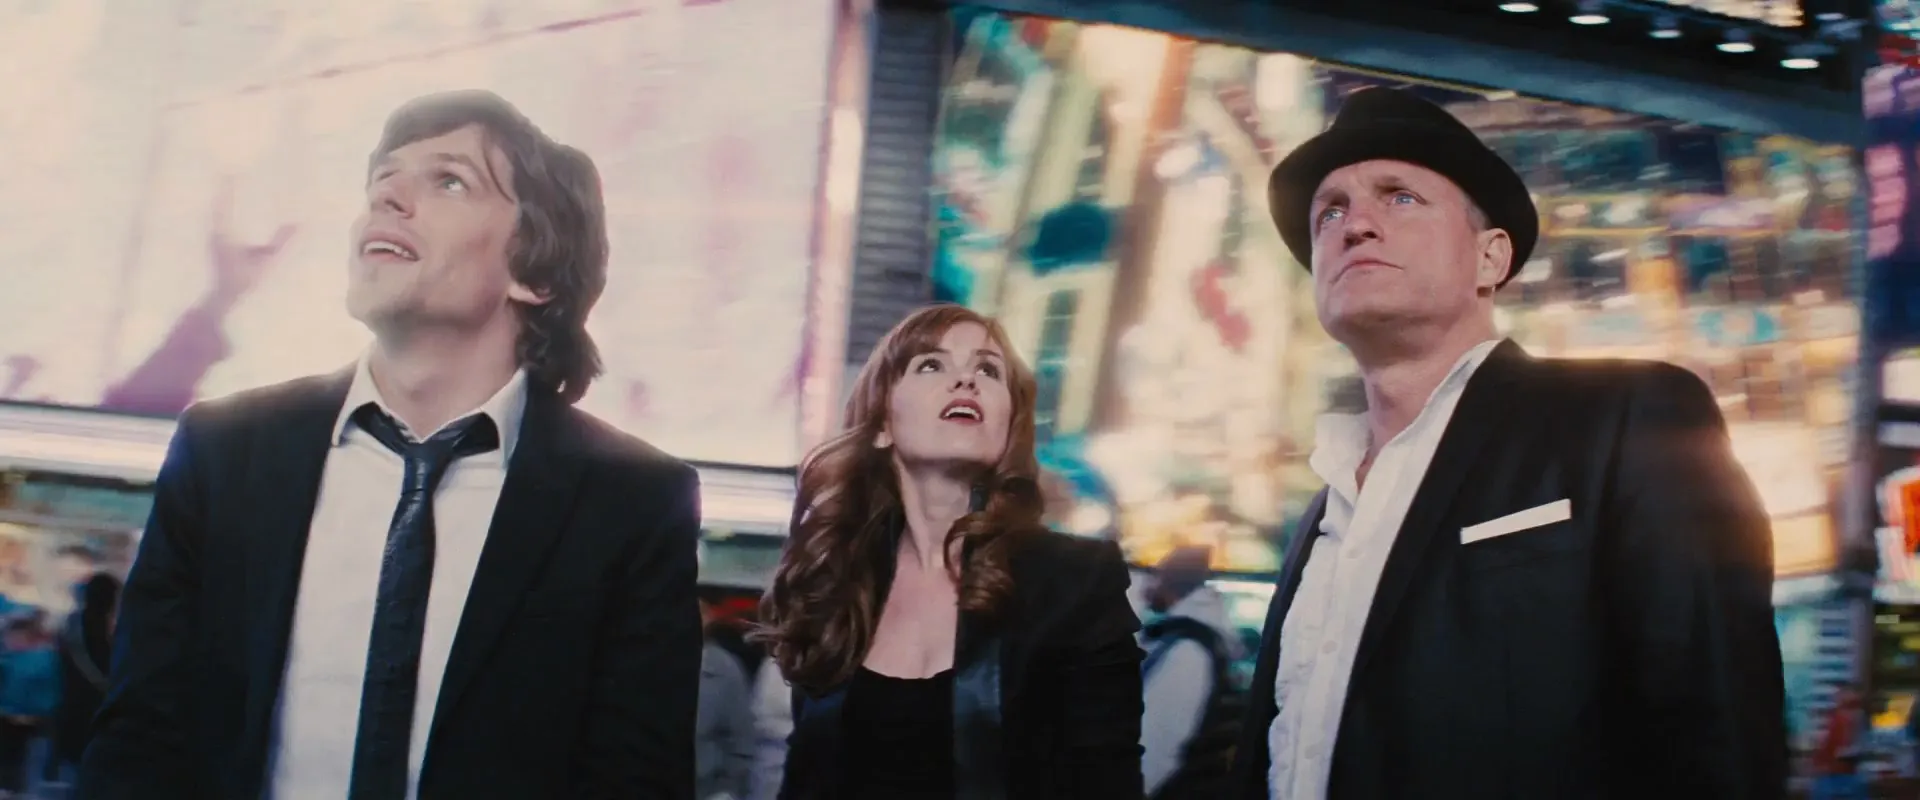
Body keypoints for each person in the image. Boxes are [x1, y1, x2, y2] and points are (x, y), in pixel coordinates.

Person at [78, 90, 704, 800]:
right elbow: (137, 742)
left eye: (449, 181)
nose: (389, 196)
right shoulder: (226, 452)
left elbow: (635, 780)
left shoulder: (630, 502)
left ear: (535, 274)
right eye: (384, 177)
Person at [1226, 87, 1786, 799]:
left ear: (1491, 257)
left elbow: (1718, 728)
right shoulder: (1324, 512)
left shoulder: (1628, 418)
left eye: (1400, 197)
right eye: (1329, 212)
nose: (1355, 224)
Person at [756, 304, 1143, 799]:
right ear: (882, 424)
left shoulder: (1075, 581)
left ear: (1009, 427)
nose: (966, 380)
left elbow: (1107, 784)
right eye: (931, 365)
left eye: (988, 370)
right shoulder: (836, 585)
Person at [1138, 546, 1243, 800]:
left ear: (1167, 581)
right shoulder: (1191, 638)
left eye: (1155, 575)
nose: (1147, 586)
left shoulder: (1188, 650)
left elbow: (1157, 745)